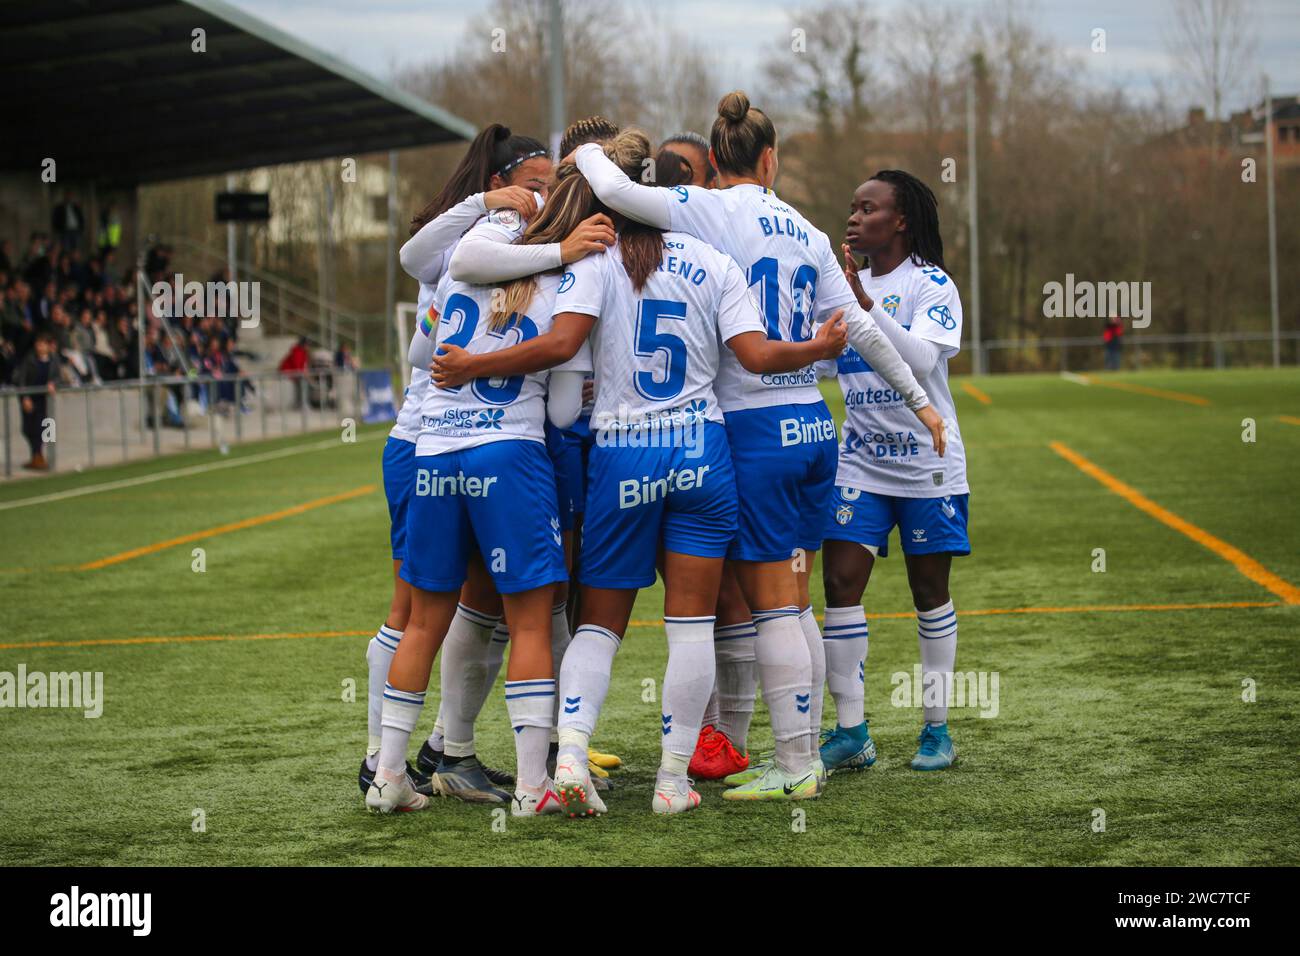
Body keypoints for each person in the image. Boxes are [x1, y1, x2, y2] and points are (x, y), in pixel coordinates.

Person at [433, 130, 848, 815]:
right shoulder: (714, 260)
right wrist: (817, 345)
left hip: (622, 453)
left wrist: (475, 367)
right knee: (690, 627)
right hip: (701, 453)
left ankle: (568, 756)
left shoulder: (592, 259)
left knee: (598, 625)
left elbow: (561, 351)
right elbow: (755, 356)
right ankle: (672, 782)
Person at [570, 92, 944, 800]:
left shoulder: (704, 207)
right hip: (811, 425)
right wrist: (920, 401)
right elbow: (859, 327)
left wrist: (582, 150)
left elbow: (615, 189)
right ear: (771, 159)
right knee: (795, 601)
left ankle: (796, 763)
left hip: (751, 425)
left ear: (713, 161)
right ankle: (797, 751)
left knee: (771, 603)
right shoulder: (802, 226)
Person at [365, 213, 592, 817]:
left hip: (435, 451)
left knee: (422, 623)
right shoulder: (563, 282)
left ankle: (388, 774)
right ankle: (530, 786)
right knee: (529, 624)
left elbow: (419, 351)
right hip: (509, 454)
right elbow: (567, 414)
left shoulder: (455, 276)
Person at [818, 170, 970, 774]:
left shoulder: (931, 284)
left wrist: (865, 304)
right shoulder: (840, 285)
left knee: (929, 595)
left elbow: (923, 357)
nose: (853, 219)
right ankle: (852, 731)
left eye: (868, 209)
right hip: (860, 462)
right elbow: (827, 366)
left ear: (900, 220)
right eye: (852, 208)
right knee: (839, 586)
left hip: (930, 469)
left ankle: (936, 730)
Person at [13, 332, 59, 470]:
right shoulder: (30, 359)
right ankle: (36, 456)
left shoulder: (53, 360)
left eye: (42, 344)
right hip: (30, 398)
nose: (39, 347)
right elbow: (21, 379)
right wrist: (25, 397)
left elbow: (58, 376)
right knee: (27, 428)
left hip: (44, 400)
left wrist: (53, 383)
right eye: (38, 344)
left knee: (44, 428)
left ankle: (39, 456)